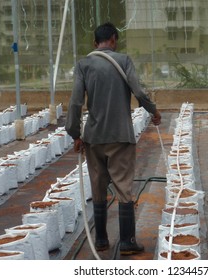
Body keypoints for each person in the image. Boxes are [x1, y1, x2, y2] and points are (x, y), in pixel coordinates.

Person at [65, 22, 161, 255]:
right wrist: (153, 111)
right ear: (114, 40)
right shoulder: (124, 61)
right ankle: (127, 241)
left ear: (94, 43)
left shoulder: (83, 65)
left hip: (94, 137)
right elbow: (138, 92)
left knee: (98, 188)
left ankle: (100, 240)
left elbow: (76, 102)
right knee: (124, 187)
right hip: (120, 136)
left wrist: (75, 134)